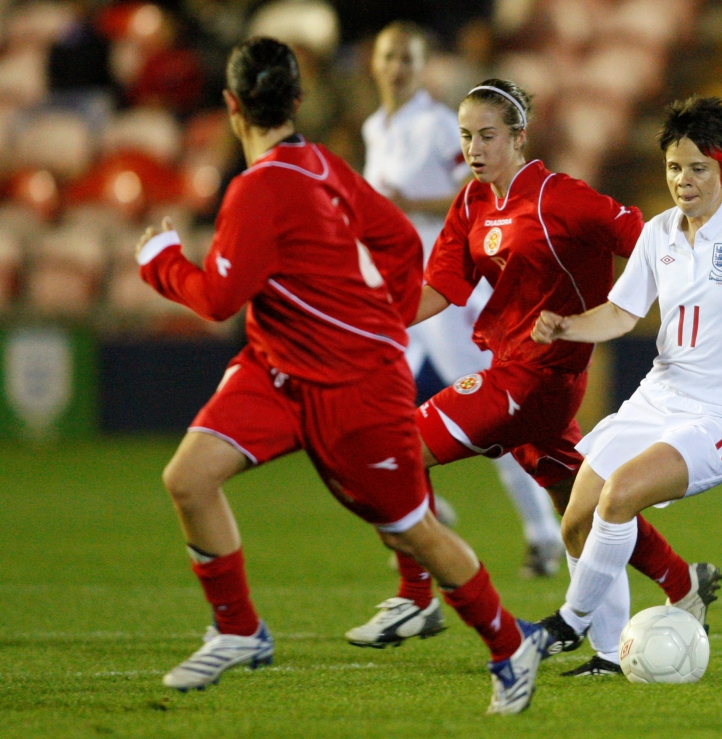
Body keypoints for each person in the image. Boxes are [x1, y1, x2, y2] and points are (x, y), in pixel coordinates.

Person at [136, 37, 551, 715]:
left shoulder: (258, 187)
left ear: (231, 106)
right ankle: (240, 629)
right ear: (298, 102)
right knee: (189, 477)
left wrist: (159, 259)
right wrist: (382, 306)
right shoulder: (322, 164)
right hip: (276, 367)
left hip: (354, 384)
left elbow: (216, 298)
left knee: (411, 529)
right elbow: (392, 233)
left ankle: (510, 645)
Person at [347, 78, 722, 676]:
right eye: (466, 136)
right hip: (512, 370)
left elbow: (648, 240)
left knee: (398, 451)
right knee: (584, 504)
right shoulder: (471, 203)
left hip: (539, 376)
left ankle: (417, 599)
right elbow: (444, 288)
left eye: (488, 136)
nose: (474, 148)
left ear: (519, 138)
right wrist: (370, 321)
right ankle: (679, 586)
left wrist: (698, 293)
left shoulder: (560, 198)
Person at [532, 97, 722, 674]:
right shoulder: (659, 233)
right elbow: (623, 314)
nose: (683, 180)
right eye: (674, 168)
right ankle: (605, 652)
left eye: (697, 168)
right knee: (576, 514)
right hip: (658, 397)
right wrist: (568, 326)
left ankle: (566, 623)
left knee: (620, 493)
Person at [361, 21, 564, 581]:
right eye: (389, 56)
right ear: (373, 63)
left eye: (408, 57)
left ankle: (544, 533)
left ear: (423, 66)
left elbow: (481, 186)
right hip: (402, 298)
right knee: (369, 410)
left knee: (491, 419)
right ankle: (424, 511)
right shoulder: (376, 127)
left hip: (445, 296)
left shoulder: (437, 126)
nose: (397, 67)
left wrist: (410, 202)